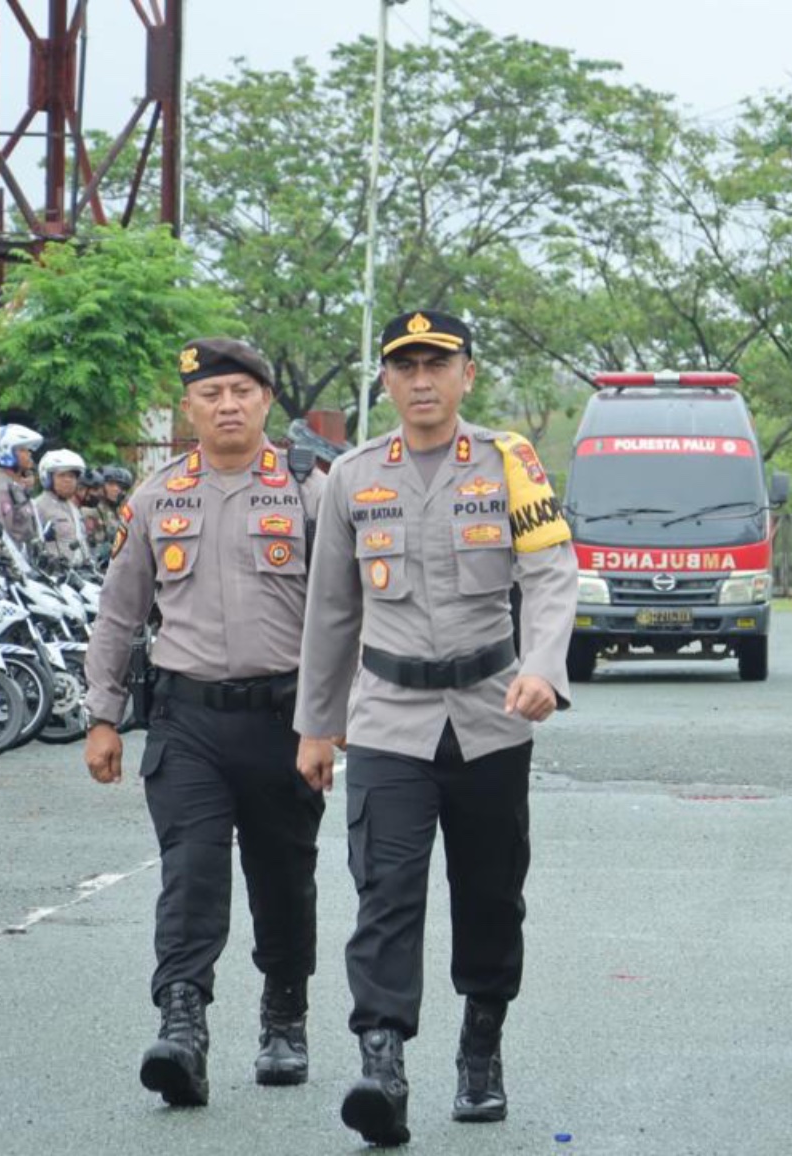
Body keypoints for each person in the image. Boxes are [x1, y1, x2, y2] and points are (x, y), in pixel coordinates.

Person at [293, 310, 578, 1147]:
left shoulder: (509, 463)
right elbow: (331, 611)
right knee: (384, 891)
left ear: (467, 375)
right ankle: (381, 1064)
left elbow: (551, 574)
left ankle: (481, 1047)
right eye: (405, 366)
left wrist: (543, 668)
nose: (421, 380)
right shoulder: (352, 477)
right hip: (388, 717)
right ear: (386, 379)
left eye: (437, 365)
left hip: (491, 713)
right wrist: (316, 726)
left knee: (490, 895)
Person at [80, 338, 326, 1108]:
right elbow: (119, 613)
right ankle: (182, 1027)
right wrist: (102, 714)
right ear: (189, 408)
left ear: (265, 401)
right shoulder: (157, 497)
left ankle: (284, 1014)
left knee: (283, 877)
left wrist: (334, 716)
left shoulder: (309, 492)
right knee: (190, 872)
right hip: (186, 720)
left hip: (284, 720)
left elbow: (344, 613)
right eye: (211, 394)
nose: (227, 406)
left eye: (241, 392)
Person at [0, 422, 43, 564]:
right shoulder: (0, 490)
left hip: (26, 565)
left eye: (28, 450)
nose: (29, 454)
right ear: (6, 453)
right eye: (23, 450)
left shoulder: (16, 487)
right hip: (10, 568)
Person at [34, 448, 91, 571]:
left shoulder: (74, 508)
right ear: (47, 478)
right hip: (54, 575)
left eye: (72, 476)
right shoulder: (38, 506)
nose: (68, 480)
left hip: (79, 574)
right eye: (62, 475)